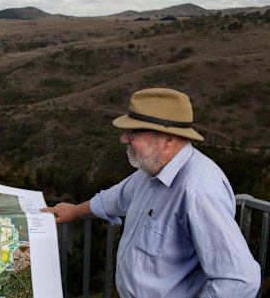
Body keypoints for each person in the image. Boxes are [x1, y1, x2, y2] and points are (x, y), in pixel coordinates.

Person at [41, 88, 261, 297]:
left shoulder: (199, 191)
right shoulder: (150, 172)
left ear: (167, 139)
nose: (124, 139)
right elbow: (114, 198)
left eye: (133, 132)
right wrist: (74, 212)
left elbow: (240, 281)